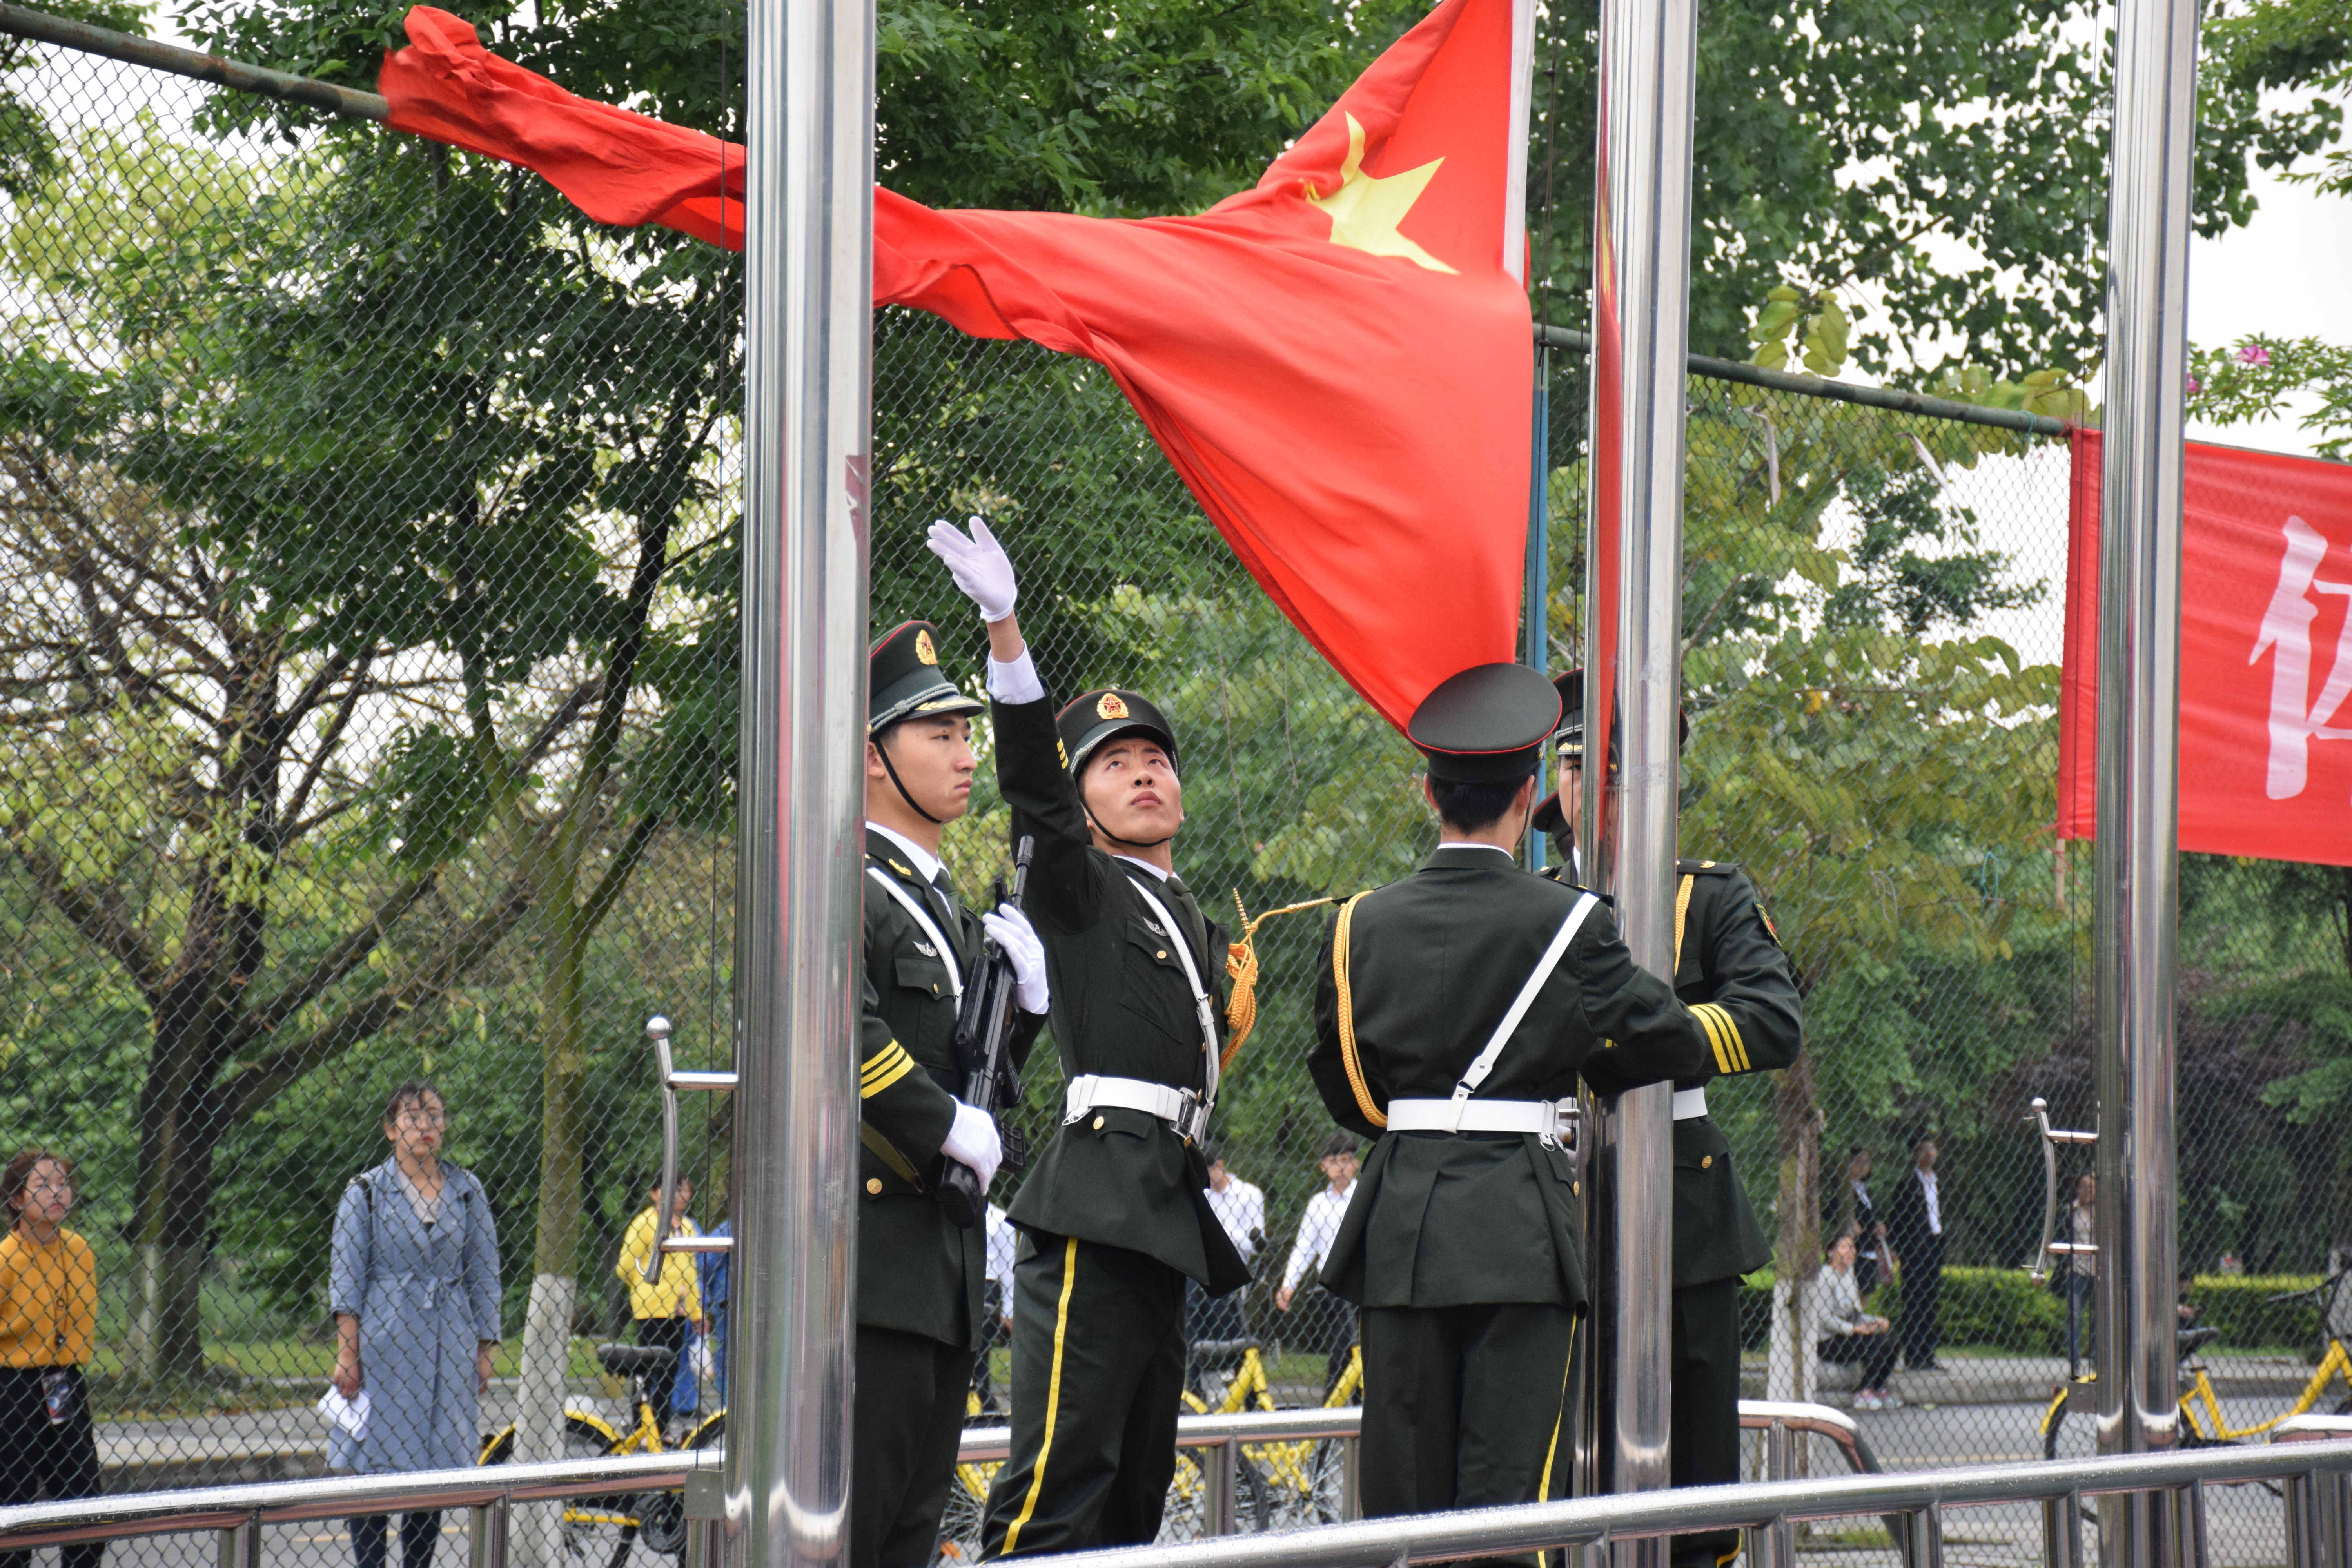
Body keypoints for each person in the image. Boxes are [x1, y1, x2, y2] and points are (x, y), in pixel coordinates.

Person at [1305, 661, 1714, 1527]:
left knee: (1403, 1504)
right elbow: (1671, 1039)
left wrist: (1421, 1126)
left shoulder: (1357, 922)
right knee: (1506, 1507)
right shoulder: (1573, 922)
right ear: (1531, 795)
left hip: (1402, 1218)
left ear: (1429, 792)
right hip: (1519, 1227)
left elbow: (1346, 1084)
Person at [929, 517, 1253, 1556]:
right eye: (1115, 766)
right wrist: (1005, 629)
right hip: (1096, 1207)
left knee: (1136, 1496)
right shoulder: (1080, 887)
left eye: (1156, 759)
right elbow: (1032, 783)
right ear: (1082, 803)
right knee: (1058, 1489)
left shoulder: (1191, 913)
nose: (1144, 774)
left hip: (1162, 1204)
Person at [1541, 668, 1804, 1568]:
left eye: (1616, 773)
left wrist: (1644, 1044)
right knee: (1552, 1461)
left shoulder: (1711, 897)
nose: (1594, 789)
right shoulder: (1528, 901)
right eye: (1577, 768)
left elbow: (1773, 1019)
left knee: (1693, 1478)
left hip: (1682, 1204)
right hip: (1546, 1194)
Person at [852, 617, 1051, 1568]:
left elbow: (976, 1072)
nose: (968, 755)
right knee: (856, 1533)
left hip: (941, 1275)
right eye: (941, 734)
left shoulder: (944, 907)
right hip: (872, 1270)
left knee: (909, 1535)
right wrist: (942, 1126)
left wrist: (1029, 1011)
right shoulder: (847, 885)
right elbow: (841, 1031)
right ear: (873, 755)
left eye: (968, 733)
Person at [330, 1083, 503, 1568]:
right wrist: (348, 1354)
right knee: (372, 1466)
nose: (425, 1126)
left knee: (435, 1467)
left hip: (450, 1341)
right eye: (412, 1116)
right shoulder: (364, 1193)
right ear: (391, 1129)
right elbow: (346, 1276)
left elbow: (485, 1272)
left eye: (435, 1116)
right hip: (384, 1343)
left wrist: (485, 1348)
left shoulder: (467, 1191)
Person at [1, 1149, 101, 1568]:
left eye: (63, 1184)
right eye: (42, 1185)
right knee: (13, 1499)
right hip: (13, 1386)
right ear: (17, 1199)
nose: (57, 1193)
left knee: (84, 1498)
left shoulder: (79, 1251)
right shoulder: (6, 1258)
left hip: (63, 1382)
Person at [1274, 1134, 1361, 1397]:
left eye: (1346, 1160)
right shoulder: (1318, 1204)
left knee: (1353, 1351)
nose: (1340, 1167)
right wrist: (1289, 1285)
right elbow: (1305, 1247)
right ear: (1323, 1166)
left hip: (1363, 1283)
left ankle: (1337, 1405)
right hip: (1333, 1288)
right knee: (1342, 1349)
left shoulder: (1364, 1196)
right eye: (1334, 1161)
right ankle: (1339, 1407)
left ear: (1355, 1164)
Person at [615, 1173, 702, 1423]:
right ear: (655, 1193)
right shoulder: (644, 1224)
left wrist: (696, 1312)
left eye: (684, 1190)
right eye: (674, 1190)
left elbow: (691, 1272)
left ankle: (660, 1429)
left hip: (678, 1310)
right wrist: (644, 1287)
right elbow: (625, 1266)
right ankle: (640, 1425)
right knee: (649, 1368)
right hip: (651, 1309)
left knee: (670, 1370)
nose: (681, 1196)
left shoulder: (687, 1228)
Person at [1187, 1145, 1267, 1395]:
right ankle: (1196, 1389)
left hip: (1233, 1269)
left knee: (1225, 1322)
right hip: (1201, 1267)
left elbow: (1256, 1245)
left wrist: (1221, 1231)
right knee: (1191, 1317)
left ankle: (1241, 1391)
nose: (1207, 1180)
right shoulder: (1203, 1194)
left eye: (1209, 1172)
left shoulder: (1249, 1195)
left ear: (1220, 1166)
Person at [1816, 1233, 1899, 1410]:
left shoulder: (1849, 1277)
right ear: (1831, 1252)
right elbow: (1824, 1319)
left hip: (1849, 1334)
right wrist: (1854, 1330)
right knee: (1877, 1343)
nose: (1851, 1252)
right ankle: (1862, 1392)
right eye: (1844, 1247)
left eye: (1852, 1247)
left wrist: (1876, 1321)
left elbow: (1856, 1313)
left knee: (1893, 1339)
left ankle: (1878, 1388)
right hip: (1828, 1340)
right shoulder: (1824, 1277)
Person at [1885, 1134, 1947, 1372]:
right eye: (1924, 1150)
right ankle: (1914, 1355)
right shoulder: (1908, 1185)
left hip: (1934, 1245)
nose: (1930, 1154)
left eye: (1933, 1149)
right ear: (1916, 1155)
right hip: (1915, 1249)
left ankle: (1928, 1354)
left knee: (1931, 1300)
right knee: (1914, 1300)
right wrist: (1898, 1247)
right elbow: (1898, 1218)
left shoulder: (1939, 1182)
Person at [973, 1204, 1020, 1415]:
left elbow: (1009, 1266)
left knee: (979, 1350)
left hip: (987, 1286)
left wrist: (1009, 1310)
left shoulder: (1000, 1219)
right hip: (962, 1280)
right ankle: (981, 1402)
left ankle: (984, 1403)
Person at [1842, 1147, 1889, 1296]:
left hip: (1869, 1244)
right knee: (1853, 1292)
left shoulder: (1866, 1190)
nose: (1863, 1166)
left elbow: (1869, 1216)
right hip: (1854, 1246)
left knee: (1866, 1291)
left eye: (1866, 1162)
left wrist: (1877, 1225)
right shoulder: (1844, 1189)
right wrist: (1850, 1221)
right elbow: (1830, 1211)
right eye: (1858, 1162)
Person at [2060, 1172, 2095, 1371]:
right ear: (2079, 1189)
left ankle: (2097, 1361)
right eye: (2086, 1187)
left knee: (2099, 1319)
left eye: (2093, 1188)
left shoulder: (2101, 1213)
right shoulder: (2070, 1212)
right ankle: (2075, 1363)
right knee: (2074, 1317)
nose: (2090, 1191)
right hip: (2077, 1270)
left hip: (2097, 1272)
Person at [697, 1218, 730, 1403]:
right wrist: (711, 1294)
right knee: (728, 1350)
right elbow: (706, 1263)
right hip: (728, 1300)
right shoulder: (729, 1228)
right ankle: (727, 1401)